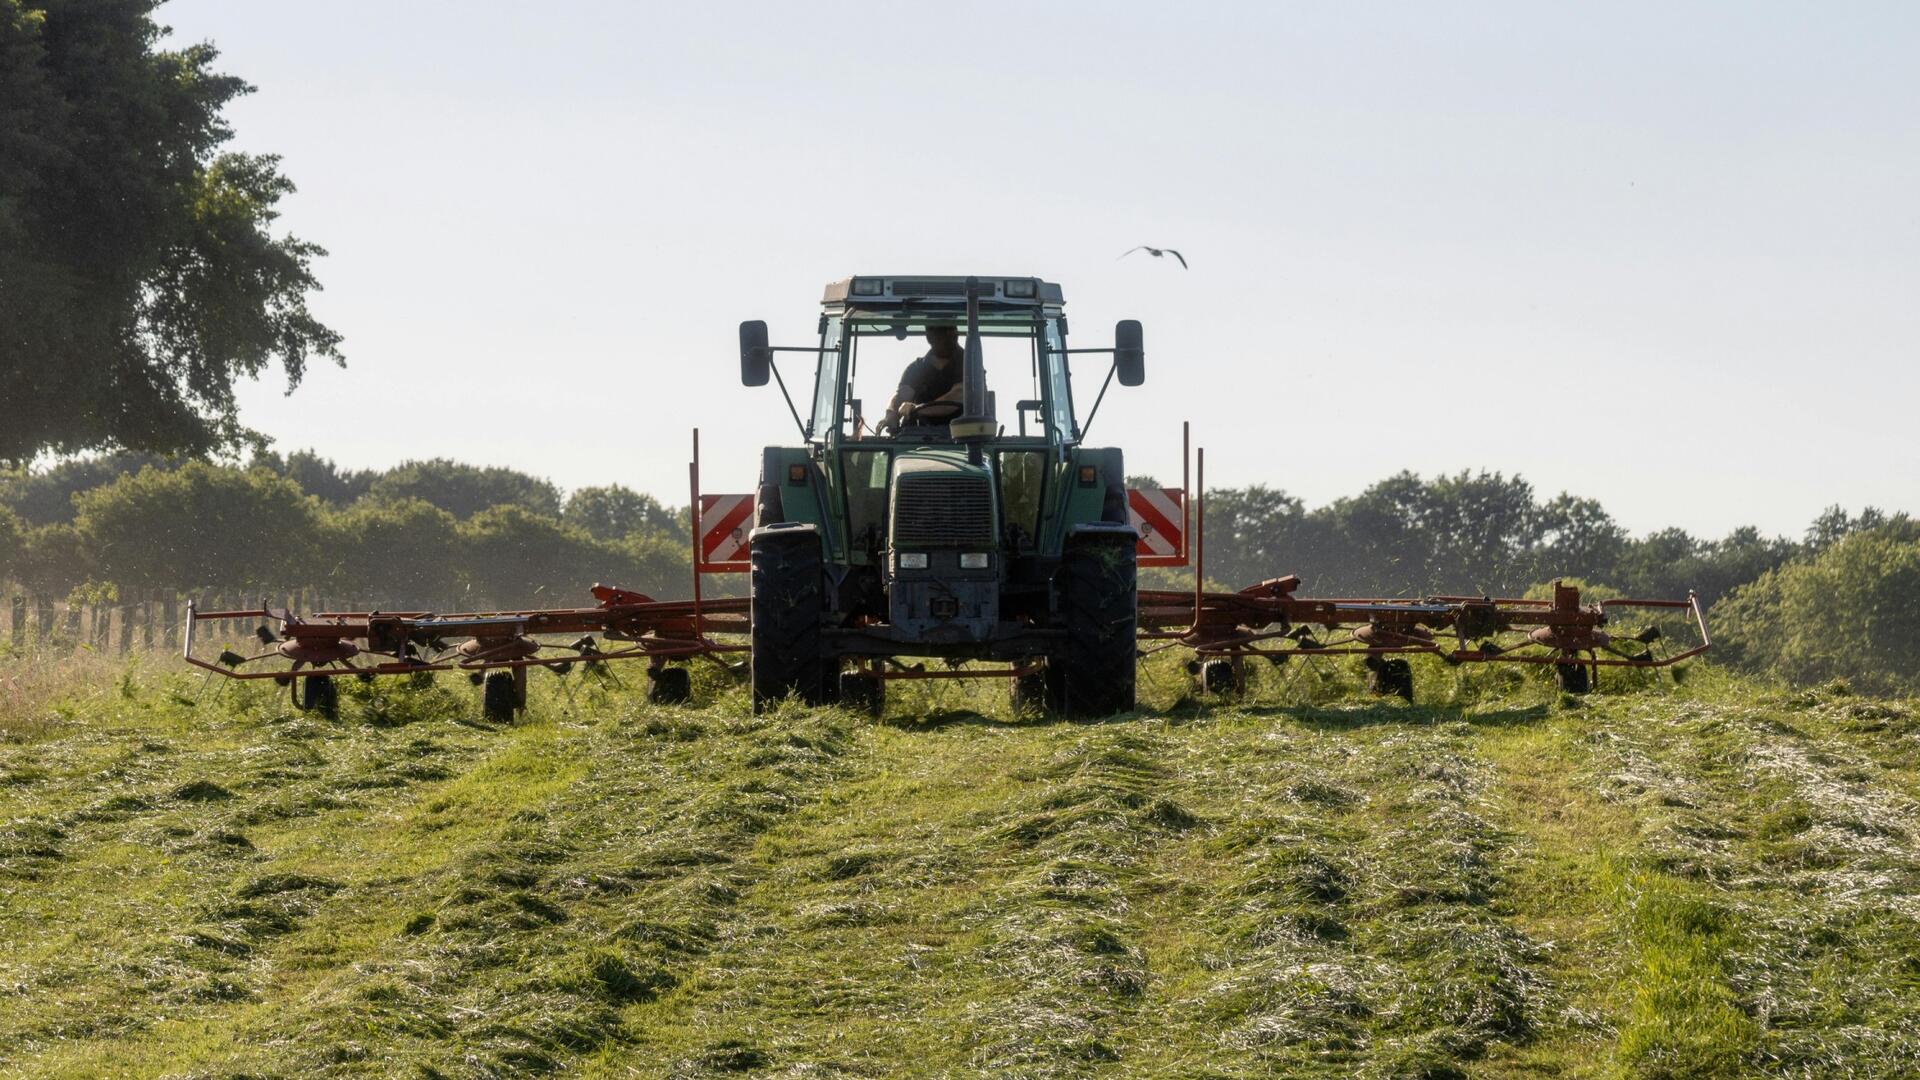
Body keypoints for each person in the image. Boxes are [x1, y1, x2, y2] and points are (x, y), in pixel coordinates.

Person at [877, 325, 967, 435]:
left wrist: (916, 409)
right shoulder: (916, 368)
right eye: (941, 332)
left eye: (951, 331)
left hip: (963, 439)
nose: (948, 336)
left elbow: (959, 395)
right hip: (916, 438)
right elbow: (902, 395)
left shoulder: (970, 364)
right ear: (929, 336)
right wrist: (891, 413)